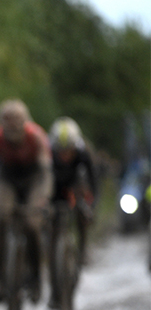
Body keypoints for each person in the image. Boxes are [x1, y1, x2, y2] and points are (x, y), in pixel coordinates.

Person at [0, 99, 52, 304]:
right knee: (1, 219)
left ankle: (36, 277)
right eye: (7, 122)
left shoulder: (36, 136)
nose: (12, 127)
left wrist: (42, 198)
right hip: (8, 178)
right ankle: (0, 279)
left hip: (34, 179)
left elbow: (45, 172)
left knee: (32, 224)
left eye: (17, 121)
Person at [48, 116, 96, 277]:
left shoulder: (84, 153)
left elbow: (93, 180)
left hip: (76, 186)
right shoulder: (48, 152)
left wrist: (92, 205)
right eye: (61, 151)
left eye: (68, 150)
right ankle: (53, 253)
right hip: (57, 186)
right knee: (52, 218)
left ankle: (83, 249)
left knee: (83, 213)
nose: (64, 155)